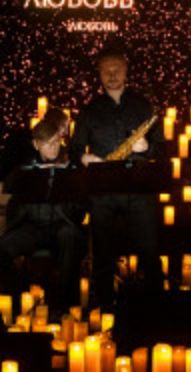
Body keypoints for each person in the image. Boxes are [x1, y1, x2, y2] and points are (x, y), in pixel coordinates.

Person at [70, 46, 164, 308]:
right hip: (103, 190)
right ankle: (104, 309)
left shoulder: (144, 106)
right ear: (99, 74)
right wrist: (85, 158)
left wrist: (147, 147)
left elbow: (161, 148)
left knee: (150, 252)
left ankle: (156, 309)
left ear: (126, 72)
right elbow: (75, 149)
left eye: (117, 70)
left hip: (139, 188)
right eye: (106, 71)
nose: (112, 75)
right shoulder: (89, 110)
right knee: (102, 255)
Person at [0, 119, 85, 312]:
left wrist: (68, 196)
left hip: (62, 226)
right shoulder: (24, 170)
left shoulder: (72, 168)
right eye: (47, 143)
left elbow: (82, 207)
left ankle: (64, 306)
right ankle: (16, 299)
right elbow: (13, 203)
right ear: (36, 144)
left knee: (69, 236)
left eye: (56, 142)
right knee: (3, 248)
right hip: (31, 228)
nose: (53, 147)